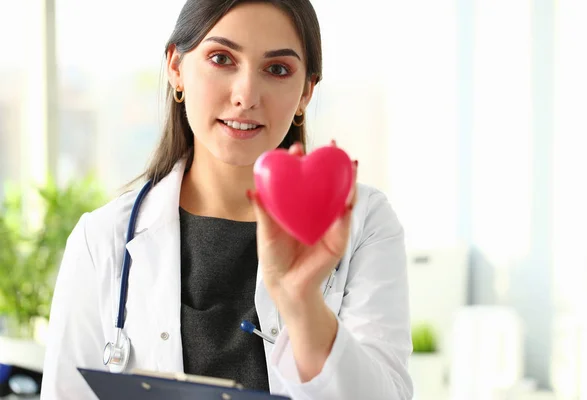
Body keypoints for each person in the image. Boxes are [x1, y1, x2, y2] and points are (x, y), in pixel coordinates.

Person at [40, 0, 413, 398]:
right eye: (221, 58)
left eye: (277, 69)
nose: (247, 94)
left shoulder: (363, 223)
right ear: (176, 68)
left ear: (306, 92)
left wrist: (304, 306)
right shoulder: (100, 241)